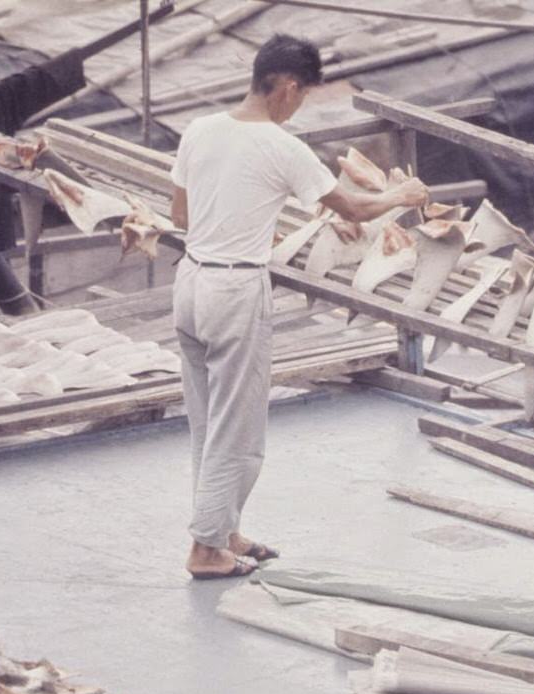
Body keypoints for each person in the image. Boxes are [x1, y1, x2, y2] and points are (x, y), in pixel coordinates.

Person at [169, 34, 428, 579]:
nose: (300, 106)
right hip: (235, 288)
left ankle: (225, 529)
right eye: (304, 95)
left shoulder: (199, 129)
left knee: (206, 419)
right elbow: (354, 209)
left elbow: (179, 216)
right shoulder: (282, 147)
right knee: (236, 427)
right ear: (287, 87)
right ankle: (206, 548)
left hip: (190, 281)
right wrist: (401, 198)